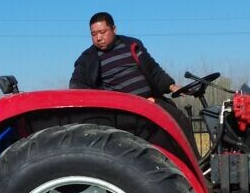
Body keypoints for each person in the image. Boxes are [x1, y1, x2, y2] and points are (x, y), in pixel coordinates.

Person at [70, 12, 197, 151]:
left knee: (180, 120)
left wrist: (172, 86)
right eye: (93, 34)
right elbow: (77, 87)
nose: (98, 38)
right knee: (159, 138)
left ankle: (196, 167)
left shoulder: (132, 45)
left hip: (151, 102)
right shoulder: (88, 59)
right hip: (124, 112)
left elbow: (153, 69)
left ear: (114, 29)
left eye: (102, 32)